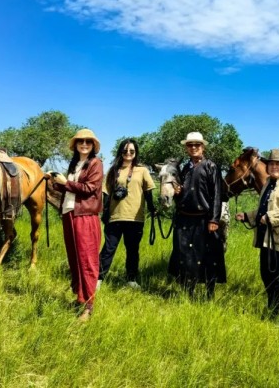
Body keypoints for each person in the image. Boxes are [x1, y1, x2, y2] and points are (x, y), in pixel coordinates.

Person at [235, 149, 279, 320]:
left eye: (278, 164)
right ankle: (274, 311)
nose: (274, 167)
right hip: (266, 240)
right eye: (271, 163)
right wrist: (248, 216)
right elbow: (263, 209)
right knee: (268, 277)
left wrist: (271, 218)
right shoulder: (268, 184)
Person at [48, 129, 103, 322]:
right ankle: (80, 298)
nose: (84, 144)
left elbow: (90, 189)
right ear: (76, 144)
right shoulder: (74, 164)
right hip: (69, 213)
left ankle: (88, 306)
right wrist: (55, 181)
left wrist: (66, 182)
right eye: (81, 141)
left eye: (88, 141)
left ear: (93, 145)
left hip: (85, 215)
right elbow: (69, 188)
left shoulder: (96, 163)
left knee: (87, 260)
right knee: (75, 259)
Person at [169, 131, 226, 298]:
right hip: (184, 219)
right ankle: (189, 292)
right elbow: (182, 194)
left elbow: (217, 194)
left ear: (203, 147)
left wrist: (214, 219)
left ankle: (209, 292)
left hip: (204, 219)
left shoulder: (211, 166)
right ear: (186, 148)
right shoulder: (185, 168)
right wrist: (178, 192)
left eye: (197, 145)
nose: (193, 147)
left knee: (207, 256)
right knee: (185, 256)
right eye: (190, 145)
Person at [98, 138, 156, 289]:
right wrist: (104, 212)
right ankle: (98, 278)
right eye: (125, 150)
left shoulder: (142, 170)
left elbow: (148, 190)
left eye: (131, 151)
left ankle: (131, 279)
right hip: (115, 216)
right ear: (120, 152)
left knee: (132, 250)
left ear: (136, 152)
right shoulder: (113, 171)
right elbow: (106, 192)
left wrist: (152, 208)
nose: (128, 153)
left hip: (135, 217)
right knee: (108, 249)